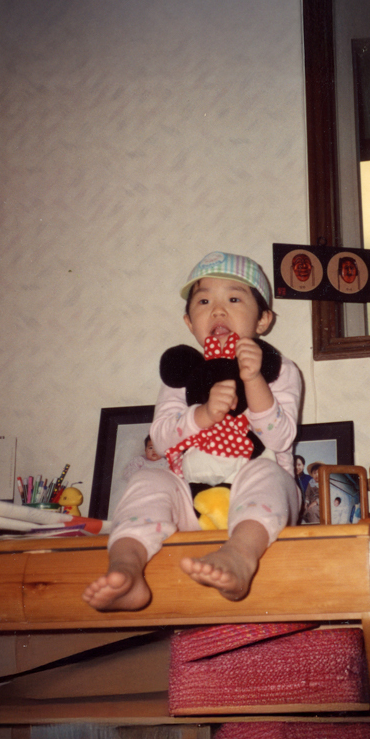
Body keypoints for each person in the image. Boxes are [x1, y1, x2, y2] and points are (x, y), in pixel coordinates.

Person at [83, 253, 301, 610]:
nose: (217, 311)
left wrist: (254, 380)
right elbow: (161, 437)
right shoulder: (182, 372)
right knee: (148, 482)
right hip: (188, 503)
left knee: (268, 473)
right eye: (203, 301)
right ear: (188, 321)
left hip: (255, 505)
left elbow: (281, 439)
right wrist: (201, 415)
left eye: (233, 299)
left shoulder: (280, 369)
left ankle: (240, 557)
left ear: (263, 319)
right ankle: (127, 567)